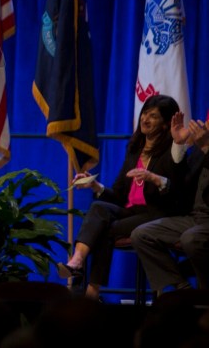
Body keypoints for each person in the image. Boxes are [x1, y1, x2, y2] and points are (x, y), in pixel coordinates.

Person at [55, 94, 187, 300]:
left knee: (107, 229)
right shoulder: (134, 149)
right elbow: (118, 195)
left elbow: (176, 187)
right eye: (144, 114)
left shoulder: (174, 151)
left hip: (157, 214)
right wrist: (94, 185)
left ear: (164, 124)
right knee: (99, 207)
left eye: (153, 116)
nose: (145, 119)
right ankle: (77, 261)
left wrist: (153, 177)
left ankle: (90, 291)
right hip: (131, 212)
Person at [131, 112, 209, 294]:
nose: (205, 124)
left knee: (191, 238)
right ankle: (180, 288)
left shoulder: (204, 145)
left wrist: (206, 148)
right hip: (194, 217)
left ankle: (205, 295)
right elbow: (181, 183)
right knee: (141, 234)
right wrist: (179, 145)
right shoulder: (200, 146)